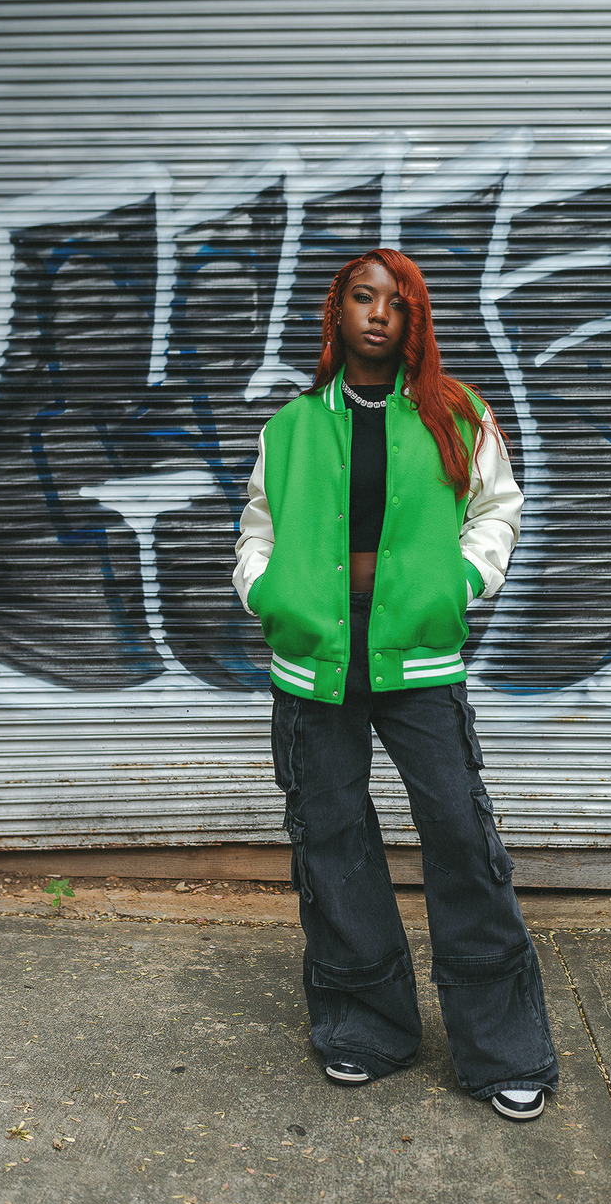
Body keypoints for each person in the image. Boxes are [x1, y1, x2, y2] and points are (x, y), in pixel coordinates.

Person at [233, 248, 558, 1121]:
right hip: (314, 663)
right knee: (332, 841)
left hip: (418, 658)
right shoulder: (291, 427)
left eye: (397, 301)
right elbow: (258, 526)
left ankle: (503, 1049)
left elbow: (497, 510)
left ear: (415, 319)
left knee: (461, 836)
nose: (378, 313)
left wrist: (460, 583)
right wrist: (268, 591)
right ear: (336, 312)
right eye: (362, 296)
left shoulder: (458, 413)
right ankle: (367, 1026)